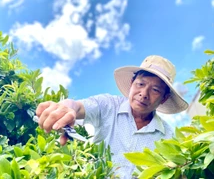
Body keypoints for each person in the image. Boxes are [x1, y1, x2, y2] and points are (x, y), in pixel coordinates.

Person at [36, 55, 189, 178]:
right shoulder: (109, 105)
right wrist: (67, 108)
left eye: (155, 89)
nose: (144, 94)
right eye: (140, 84)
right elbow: (78, 106)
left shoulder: (168, 136)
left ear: (163, 98)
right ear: (131, 83)